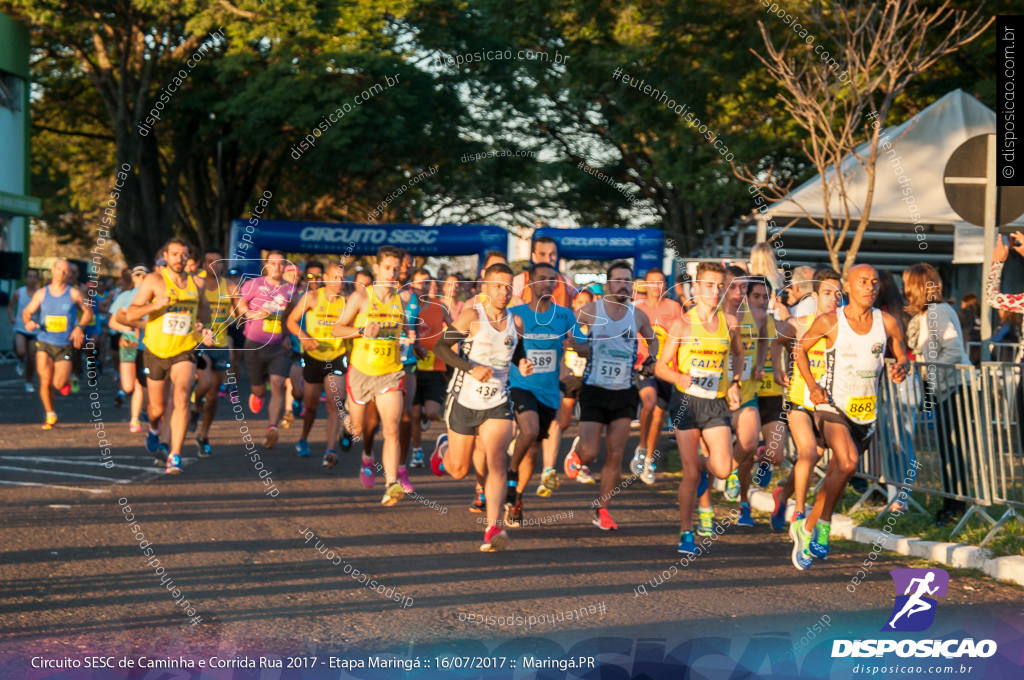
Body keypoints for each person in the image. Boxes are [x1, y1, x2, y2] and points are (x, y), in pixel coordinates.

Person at [790, 264, 908, 570]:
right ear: (848, 287)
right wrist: (813, 387)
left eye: (874, 283)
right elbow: (799, 351)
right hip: (832, 408)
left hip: (866, 414)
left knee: (836, 476)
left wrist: (900, 368)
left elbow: (901, 355)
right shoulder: (831, 321)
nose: (870, 287)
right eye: (863, 282)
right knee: (848, 462)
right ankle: (824, 524)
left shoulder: (888, 323)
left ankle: (807, 527)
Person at [430, 262, 533, 551]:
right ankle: (444, 450)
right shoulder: (471, 317)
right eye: (498, 286)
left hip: (498, 399)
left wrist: (522, 363)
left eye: (508, 286)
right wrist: (470, 367)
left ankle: (492, 528)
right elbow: (439, 347)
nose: (504, 292)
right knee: (459, 470)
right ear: (485, 288)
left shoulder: (517, 322)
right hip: (464, 400)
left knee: (497, 458)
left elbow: (516, 349)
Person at [655, 261, 743, 555]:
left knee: (722, 467)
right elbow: (660, 367)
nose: (715, 291)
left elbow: (739, 355)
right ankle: (686, 531)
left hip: (715, 402)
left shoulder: (730, 323)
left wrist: (734, 383)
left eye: (720, 286)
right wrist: (678, 376)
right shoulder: (682, 324)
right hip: (686, 404)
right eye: (709, 285)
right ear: (696, 288)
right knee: (691, 474)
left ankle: (702, 469)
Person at [563, 261, 658, 531]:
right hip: (594, 389)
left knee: (615, 454)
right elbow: (569, 333)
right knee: (592, 452)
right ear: (607, 285)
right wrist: (582, 349)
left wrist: (652, 359)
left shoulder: (637, 316)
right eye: (618, 280)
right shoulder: (592, 311)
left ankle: (602, 509)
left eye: (627, 281)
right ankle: (578, 455)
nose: (623, 285)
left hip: (624, 393)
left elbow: (652, 338)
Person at [126, 239, 214, 473]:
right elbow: (131, 313)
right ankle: (154, 428)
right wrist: (154, 306)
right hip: (155, 351)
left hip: (185, 349)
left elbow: (204, 308)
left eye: (184, 254)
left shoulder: (197, 283)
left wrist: (204, 327)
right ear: (166, 256)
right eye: (175, 254)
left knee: (182, 396)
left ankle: (175, 455)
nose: (179, 258)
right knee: (156, 409)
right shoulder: (154, 280)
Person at [331, 246, 409, 506]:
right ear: (377, 268)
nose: (392, 272)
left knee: (392, 427)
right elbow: (337, 329)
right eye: (387, 267)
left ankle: (390, 483)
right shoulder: (361, 297)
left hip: (390, 372)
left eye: (396, 268)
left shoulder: (404, 298)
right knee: (359, 428)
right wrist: (362, 331)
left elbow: (404, 329)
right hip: (362, 372)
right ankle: (365, 455)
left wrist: (412, 339)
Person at [506, 262, 582, 525]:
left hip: (549, 392)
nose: (547, 283)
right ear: (530, 283)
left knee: (532, 450)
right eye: (542, 279)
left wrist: (576, 345)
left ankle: (516, 497)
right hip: (520, 386)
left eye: (552, 279)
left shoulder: (565, 316)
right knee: (528, 431)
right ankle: (511, 474)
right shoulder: (515, 314)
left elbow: (587, 349)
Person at [768, 268, 843, 533]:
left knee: (814, 458)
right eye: (827, 293)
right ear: (815, 295)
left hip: (827, 404)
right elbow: (776, 343)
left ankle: (783, 495)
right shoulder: (799, 323)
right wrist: (779, 369)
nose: (833, 299)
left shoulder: (843, 327)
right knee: (808, 453)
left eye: (838, 294)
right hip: (800, 400)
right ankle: (799, 513)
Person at [903, 263, 971, 526]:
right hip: (946, 389)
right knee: (947, 449)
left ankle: (955, 506)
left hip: (954, 388)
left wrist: (934, 380)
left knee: (953, 450)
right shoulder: (927, 314)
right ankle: (951, 504)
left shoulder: (938, 312)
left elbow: (953, 350)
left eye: (908, 285)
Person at [287, 260, 348, 466]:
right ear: (326, 278)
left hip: (336, 357)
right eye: (336, 277)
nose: (340, 282)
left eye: (342, 277)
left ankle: (330, 450)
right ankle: (303, 438)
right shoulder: (312, 297)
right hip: (313, 358)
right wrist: (304, 337)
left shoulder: (346, 303)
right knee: (311, 407)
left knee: (334, 403)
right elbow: (291, 321)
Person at [21, 260, 94, 429]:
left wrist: (79, 327)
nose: (61, 273)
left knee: (58, 384)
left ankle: (67, 381)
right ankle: (50, 414)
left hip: (65, 344)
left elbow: (88, 311)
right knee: (45, 381)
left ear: (68, 275)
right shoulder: (41, 293)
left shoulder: (73, 293)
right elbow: (27, 312)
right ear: (53, 270)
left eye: (65, 271)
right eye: (59, 269)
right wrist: (28, 322)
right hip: (45, 341)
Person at [236, 251, 297, 449]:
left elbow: (291, 316)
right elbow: (240, 302)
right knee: (259, 389)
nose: (277, 267)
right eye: (273, 263)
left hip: (278, 346)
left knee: (278, 384)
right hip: (254, 343)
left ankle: (272, 427)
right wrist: (250, 313)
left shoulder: (290, 290)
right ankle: (258, 394)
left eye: (281, 264)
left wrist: (288, 335)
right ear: (266, 265)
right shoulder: (254, 284)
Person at [630, 268, 683, 485]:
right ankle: (641, 447)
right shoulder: (636, 309)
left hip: (667, 367)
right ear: (646, 285)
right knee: (649, 403)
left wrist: (678, 369)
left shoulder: (674, 308)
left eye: (661, 282)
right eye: (652, 283)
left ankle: (649, 458)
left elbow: (681, 339)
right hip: (644, 366)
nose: (656, 287)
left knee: (659, 416)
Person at [192, 249, 234, 457]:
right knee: (205, 383)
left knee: (213, 396)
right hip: (200, 344)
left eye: (218, 262)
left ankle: (203, 434)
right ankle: (194, 405)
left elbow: (240, 307)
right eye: (210, 262)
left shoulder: (230, 286)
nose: (214, 266)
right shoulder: (196, 284)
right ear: (203, 264)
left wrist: (244, 314)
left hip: (221, 344)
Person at [554, 288, 595, 489]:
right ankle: (546, 449)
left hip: (589, 382)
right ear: (573, 305)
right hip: (568, 379)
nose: (583, 307)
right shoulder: (566, 325)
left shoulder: (596, 327)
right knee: (562, 423)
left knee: (586, 423)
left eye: (587, 303)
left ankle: (579, 460)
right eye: (579, 303)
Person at [410, 272, 451, 469]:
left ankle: (429, 418)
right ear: (411, 285)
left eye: (427, 283)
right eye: (420, 283)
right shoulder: (406, 307)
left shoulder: (439, 307)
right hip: (412, 366)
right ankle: (417, 451)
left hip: (435, 366)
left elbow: (453, 329)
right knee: (414, 414)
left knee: (433, 411)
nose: (423, 287)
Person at [108, 266, 150, 432]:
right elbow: (112, 322)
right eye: (138, 275)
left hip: (147, 343)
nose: (141, 278)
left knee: (141, 382)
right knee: (127, 386)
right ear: (133, 278)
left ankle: (135, 419)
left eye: (144, 275)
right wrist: (129, 329)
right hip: (128, 341)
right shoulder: (125, 296)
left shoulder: (153, 296)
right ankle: (142, 412)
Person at [512, 236, 577, 307]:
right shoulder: (520, 281)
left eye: (552, 254)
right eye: (542, 254)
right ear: (534, 257)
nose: (548, 259)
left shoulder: (566, 282)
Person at [10, 267, 40, 393]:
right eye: (30, 276)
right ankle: (20, 361)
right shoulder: (19, 292)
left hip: (35, 330)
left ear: (37, 279)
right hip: (21, 327)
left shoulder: (41, 293)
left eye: (34, 277)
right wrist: (11, 317)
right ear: (25, 278)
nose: (32, 279)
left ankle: (28, 381)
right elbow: (11, 306)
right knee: (21, 351)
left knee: (32, 357)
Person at [958, 293, 982, 366]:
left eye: (962, 302)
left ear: (965, 303)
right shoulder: (980, 314)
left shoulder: (963, 314)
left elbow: (956, 329)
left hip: (966, 347)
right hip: (979, 349)